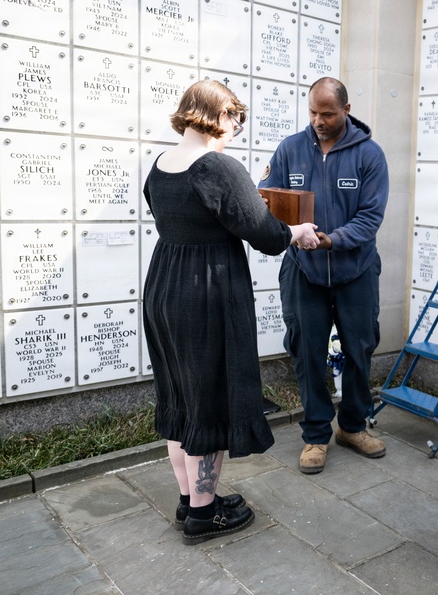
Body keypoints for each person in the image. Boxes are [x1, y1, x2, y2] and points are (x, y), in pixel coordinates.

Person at [143, 80, 320, 545]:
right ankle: (205, 516)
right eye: (235, 117)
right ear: (216, 116)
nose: (238, 127)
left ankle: (190, 501)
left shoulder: (160, 166)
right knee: (210, 400)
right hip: (207, 291)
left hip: (164, 286)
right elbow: (263, 233)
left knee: (181, 398)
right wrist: (296, 230)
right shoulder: (218, 167)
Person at [258, 77, 389, 474]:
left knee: (360, 348)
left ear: (346, 111)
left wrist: (331, 240)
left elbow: (370, 218)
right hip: (302, 270)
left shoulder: (369, 155)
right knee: (307, 351)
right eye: (313, 112)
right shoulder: (289, 150)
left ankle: (351, 426)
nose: (318, 120)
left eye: (327, 113)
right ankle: (316, 435)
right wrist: (285, 230)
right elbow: (266, 199)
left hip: (356, 271)